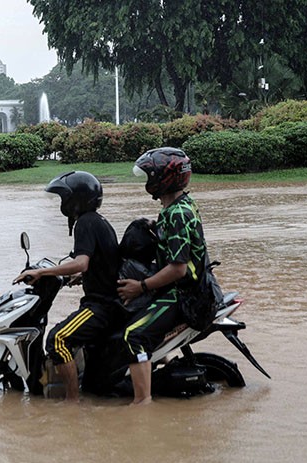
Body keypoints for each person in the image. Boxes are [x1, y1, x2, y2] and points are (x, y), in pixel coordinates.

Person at [14, 171, 123, 402]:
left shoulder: (85, 223)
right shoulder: (98, 221)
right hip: (109, 301)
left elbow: (82, 262)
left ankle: (72, 404)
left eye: (64, 197)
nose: (62, 202)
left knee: (57, 340)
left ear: (76, 199)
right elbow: (101, 263)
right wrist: (79, 277)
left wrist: (41, 272)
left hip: (101, 306)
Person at [117, 147, 209, 405]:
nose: (147, 181)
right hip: (189, 288)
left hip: (184, 294)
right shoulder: (179, 206)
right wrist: (153, 226)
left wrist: (141, 286)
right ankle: (161, 363)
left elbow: (178, 268)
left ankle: (142, 403)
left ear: (164, 178)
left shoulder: (177, 213)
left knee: (133, 335)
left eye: (150, 176)